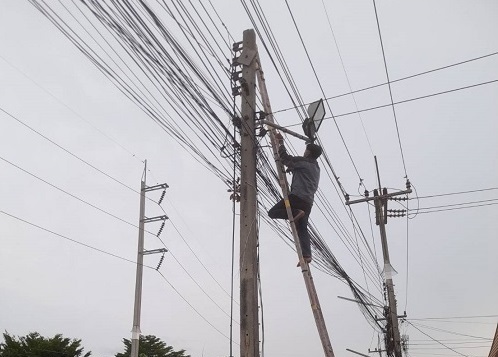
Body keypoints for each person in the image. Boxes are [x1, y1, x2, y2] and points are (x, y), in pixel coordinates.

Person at [268, 132, 322, 266]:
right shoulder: (316, 167)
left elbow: (285, 159)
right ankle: (306, 255)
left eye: (306, 150)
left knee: (272, 212)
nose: (304, 152)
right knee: (302, 228)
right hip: (308, 202)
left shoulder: (303, 162)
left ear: (308, 153)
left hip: (297, 197)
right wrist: (293, 169)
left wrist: (280, 143)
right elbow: (297, 169)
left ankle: (295, 212)